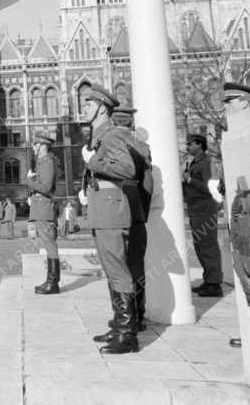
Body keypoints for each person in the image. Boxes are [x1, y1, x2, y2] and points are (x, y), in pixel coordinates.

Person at [79, 84, 139, 354]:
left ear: (102, 108)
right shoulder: (99, 136)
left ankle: (128, 334)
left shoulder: (112, 135)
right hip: (101, 207)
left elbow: (127, 169)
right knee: (111, 270)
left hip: (111, 208)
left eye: (89, 105)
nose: (85, 108)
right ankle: (119, 323)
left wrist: (93, 163)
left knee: (118, 270)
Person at [222, 82, 250, 349]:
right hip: (241, 220)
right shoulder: (236, 135)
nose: (224, 108)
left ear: (245, 103)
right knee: (246, 271)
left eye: (229, 102)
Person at [111, 106, 152, 332]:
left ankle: (128, 317)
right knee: (134, 265)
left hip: (120, 211)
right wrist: (141, 211)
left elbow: (146, 183)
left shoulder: (117, 148)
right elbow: (148, 184)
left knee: (121, 264)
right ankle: (135, 314)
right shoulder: (142, 147)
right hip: (135, 212)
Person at [183, 133, 224, 298]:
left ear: (199, 144)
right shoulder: (195, 162)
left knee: (208, 246)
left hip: (205, 207)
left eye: (190, 144)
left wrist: (189, 180)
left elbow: (210, 188)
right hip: (196, 208)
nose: (188, 147)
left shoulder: (206, 162)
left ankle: (214, 284)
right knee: (200, 246)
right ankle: (209, 281)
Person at [26, 133, 60, 295]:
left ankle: (53, 282)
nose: (33, 147)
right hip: (40, 206)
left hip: (44, 207)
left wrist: (29, 181)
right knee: (48, 244)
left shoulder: (47, 162)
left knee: (49, 245)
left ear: (41, 145)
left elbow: (46, 187)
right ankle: (51, 281)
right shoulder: (43, 162)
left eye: (35, 144)